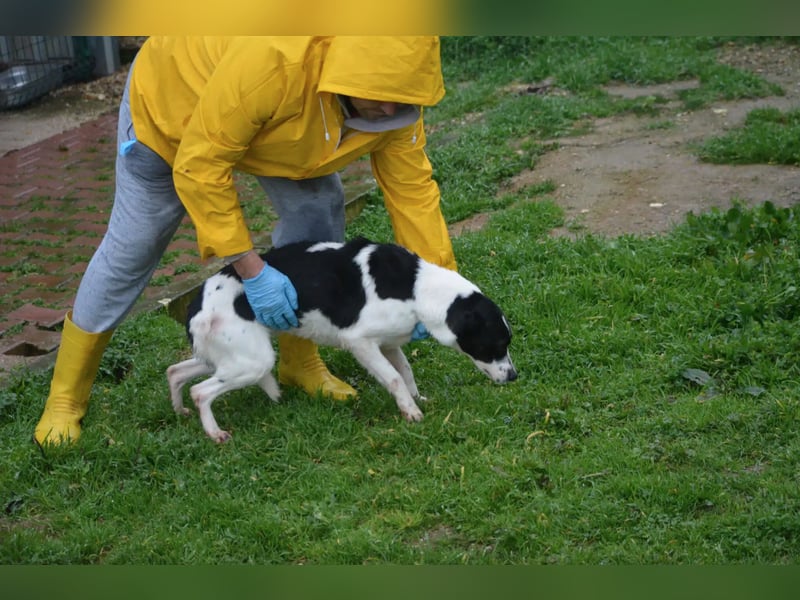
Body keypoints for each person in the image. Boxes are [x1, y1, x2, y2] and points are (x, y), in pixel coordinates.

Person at [34, 36, 458, 446]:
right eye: (380, 95)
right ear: (349, 73)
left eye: (401, 98)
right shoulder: (274, 61)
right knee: (135, 245)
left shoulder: (396, 97)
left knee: (317, 209)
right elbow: (201, 166)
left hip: (275, 124)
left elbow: (413, 193)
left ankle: (300, 360)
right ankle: (66, 397)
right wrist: (252, 272)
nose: (389, 108)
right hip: (173, 106)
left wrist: (435, 290)